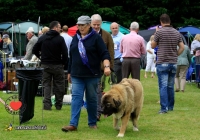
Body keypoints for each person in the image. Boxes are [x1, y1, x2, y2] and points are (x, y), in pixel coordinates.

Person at [61, 15, 111, 132]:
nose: (80, 27)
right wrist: (69, 72)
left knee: (92, 99)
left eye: (83, 25)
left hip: (92, 75)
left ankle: (92, 122)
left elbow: (104, 54)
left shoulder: (96, 38)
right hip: (77, 74)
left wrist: (107, 66)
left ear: (89, 25)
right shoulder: (76, 37)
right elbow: (72, 56)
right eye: (79, 25)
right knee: (76, 98)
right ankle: (73, 124)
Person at [151, 14, 184, 114]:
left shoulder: (159, 32)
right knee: (170, 86)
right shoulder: (176, 32)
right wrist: (175, 55)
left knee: (163, 86)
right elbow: (182, 47)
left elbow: (152, 46)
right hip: (173, 62)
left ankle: (163, 109)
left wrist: (156, 33)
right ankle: (170, 107)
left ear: (161, 22)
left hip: (162, 62)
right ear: (169, 21)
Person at [32, 21, 68, 110]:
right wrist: (63, 62)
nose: (60, 29)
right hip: (57, 65)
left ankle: (47, 105)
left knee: (46, 85)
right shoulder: (60, 39)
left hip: (45, 65)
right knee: (59, 85)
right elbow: (65, 53)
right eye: (59, 27)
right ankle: (58, 104)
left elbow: (34, 49)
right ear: (55, 28)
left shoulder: (42, 38)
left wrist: (40, 57)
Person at [90, 14, 114, 121]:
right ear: (90, 24)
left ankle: (97, 113)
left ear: (101, 24)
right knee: (90, 90)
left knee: (98, 90)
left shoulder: (107, 35)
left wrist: (109, 67)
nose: (95, 27)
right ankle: (92, 110)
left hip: (101, 68)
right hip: (87, 67)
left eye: (97, 25)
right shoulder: (86, 34)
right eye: (94, 24)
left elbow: (110, 52)